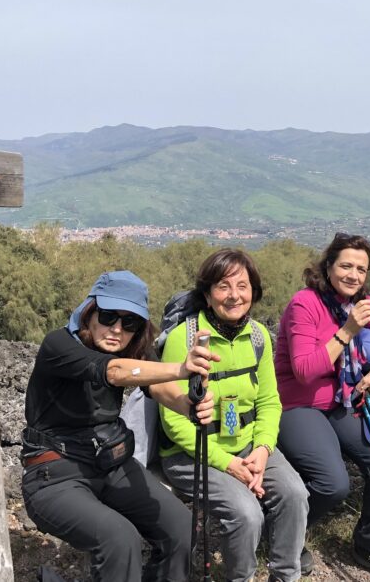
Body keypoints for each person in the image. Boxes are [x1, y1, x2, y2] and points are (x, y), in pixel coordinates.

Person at [20, 270, 218, 582]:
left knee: (181, 527)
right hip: (54, 475)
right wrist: (181, 368)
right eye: (108, 316)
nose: (116, 329)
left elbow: (155, 385)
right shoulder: (59, 345)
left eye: (130, 323)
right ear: (89, 312)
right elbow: (114, 372)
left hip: (111, 464)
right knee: (118, 538)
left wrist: (187, 405)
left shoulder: (130, 346)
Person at [155, 249, 309, 582]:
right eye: (223, 286)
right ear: (207, 295)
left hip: (249, 446)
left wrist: (263, 449)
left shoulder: (258, 336)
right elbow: (174, 421)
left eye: (243, 286)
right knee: (246, 514)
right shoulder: (184, 339)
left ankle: (286, 575)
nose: (234, 295)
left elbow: (269, 401)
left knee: (295, 494)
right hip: (192, 453)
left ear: (254, 291)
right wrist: (228, 464)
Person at [275, 233, 370, 582]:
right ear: (328, 267)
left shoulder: (360, 303)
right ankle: (284, 532)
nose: (353, 275)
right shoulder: (305, 304)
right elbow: (305, 371)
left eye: (361, 269)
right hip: (297, 404)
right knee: (333, 483)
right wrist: (348, 331)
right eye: (346, 266)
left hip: (339, 401)